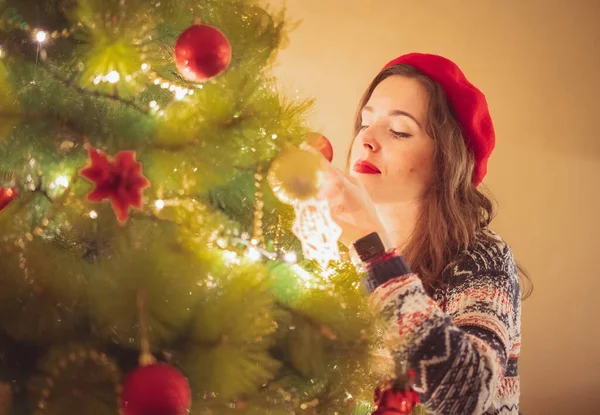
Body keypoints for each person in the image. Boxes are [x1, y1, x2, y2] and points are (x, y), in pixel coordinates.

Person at [317, 53, 530, 414]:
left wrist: (373, 248)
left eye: (399, 131)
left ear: (445, 162)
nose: (367, 139)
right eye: (365, 122)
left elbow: (466, 396)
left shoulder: (480, 258)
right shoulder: (325, 249)